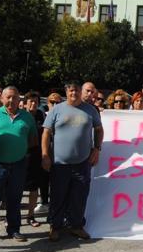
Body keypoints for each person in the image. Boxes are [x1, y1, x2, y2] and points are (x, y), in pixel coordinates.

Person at [42, 82, 104, 241]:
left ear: (80, 91)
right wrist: (45, 155)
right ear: (66, 91)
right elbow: (46, 133)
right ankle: (55, 226)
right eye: (71, 90)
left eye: (76, 90)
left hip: (82, 162)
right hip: (59, 163)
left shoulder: (90, 110)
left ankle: (76, 226)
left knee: (79, 196)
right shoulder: (57, 109)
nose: (74, 93)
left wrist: (97, 149)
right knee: (58, 196)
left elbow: (98, 130)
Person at [0, 86, 38, 243]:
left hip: (18, 163)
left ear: (20, 99)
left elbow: (33, 140)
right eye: (8, 97)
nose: (11, 100)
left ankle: (14, 229)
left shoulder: (27, 117)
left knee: (14, 198)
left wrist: (19, 150)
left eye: (14, 97)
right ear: (2, 99)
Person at [23, 91, 47, 227]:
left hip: (36, 156)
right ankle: (11, 217)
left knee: (34, 189)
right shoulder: (20, 115)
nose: (33, 104)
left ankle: (30, 216)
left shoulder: (41, 116)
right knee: (16, 188)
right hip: (20, 156)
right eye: (31, 101)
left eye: (36, 102)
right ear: (25, 103)